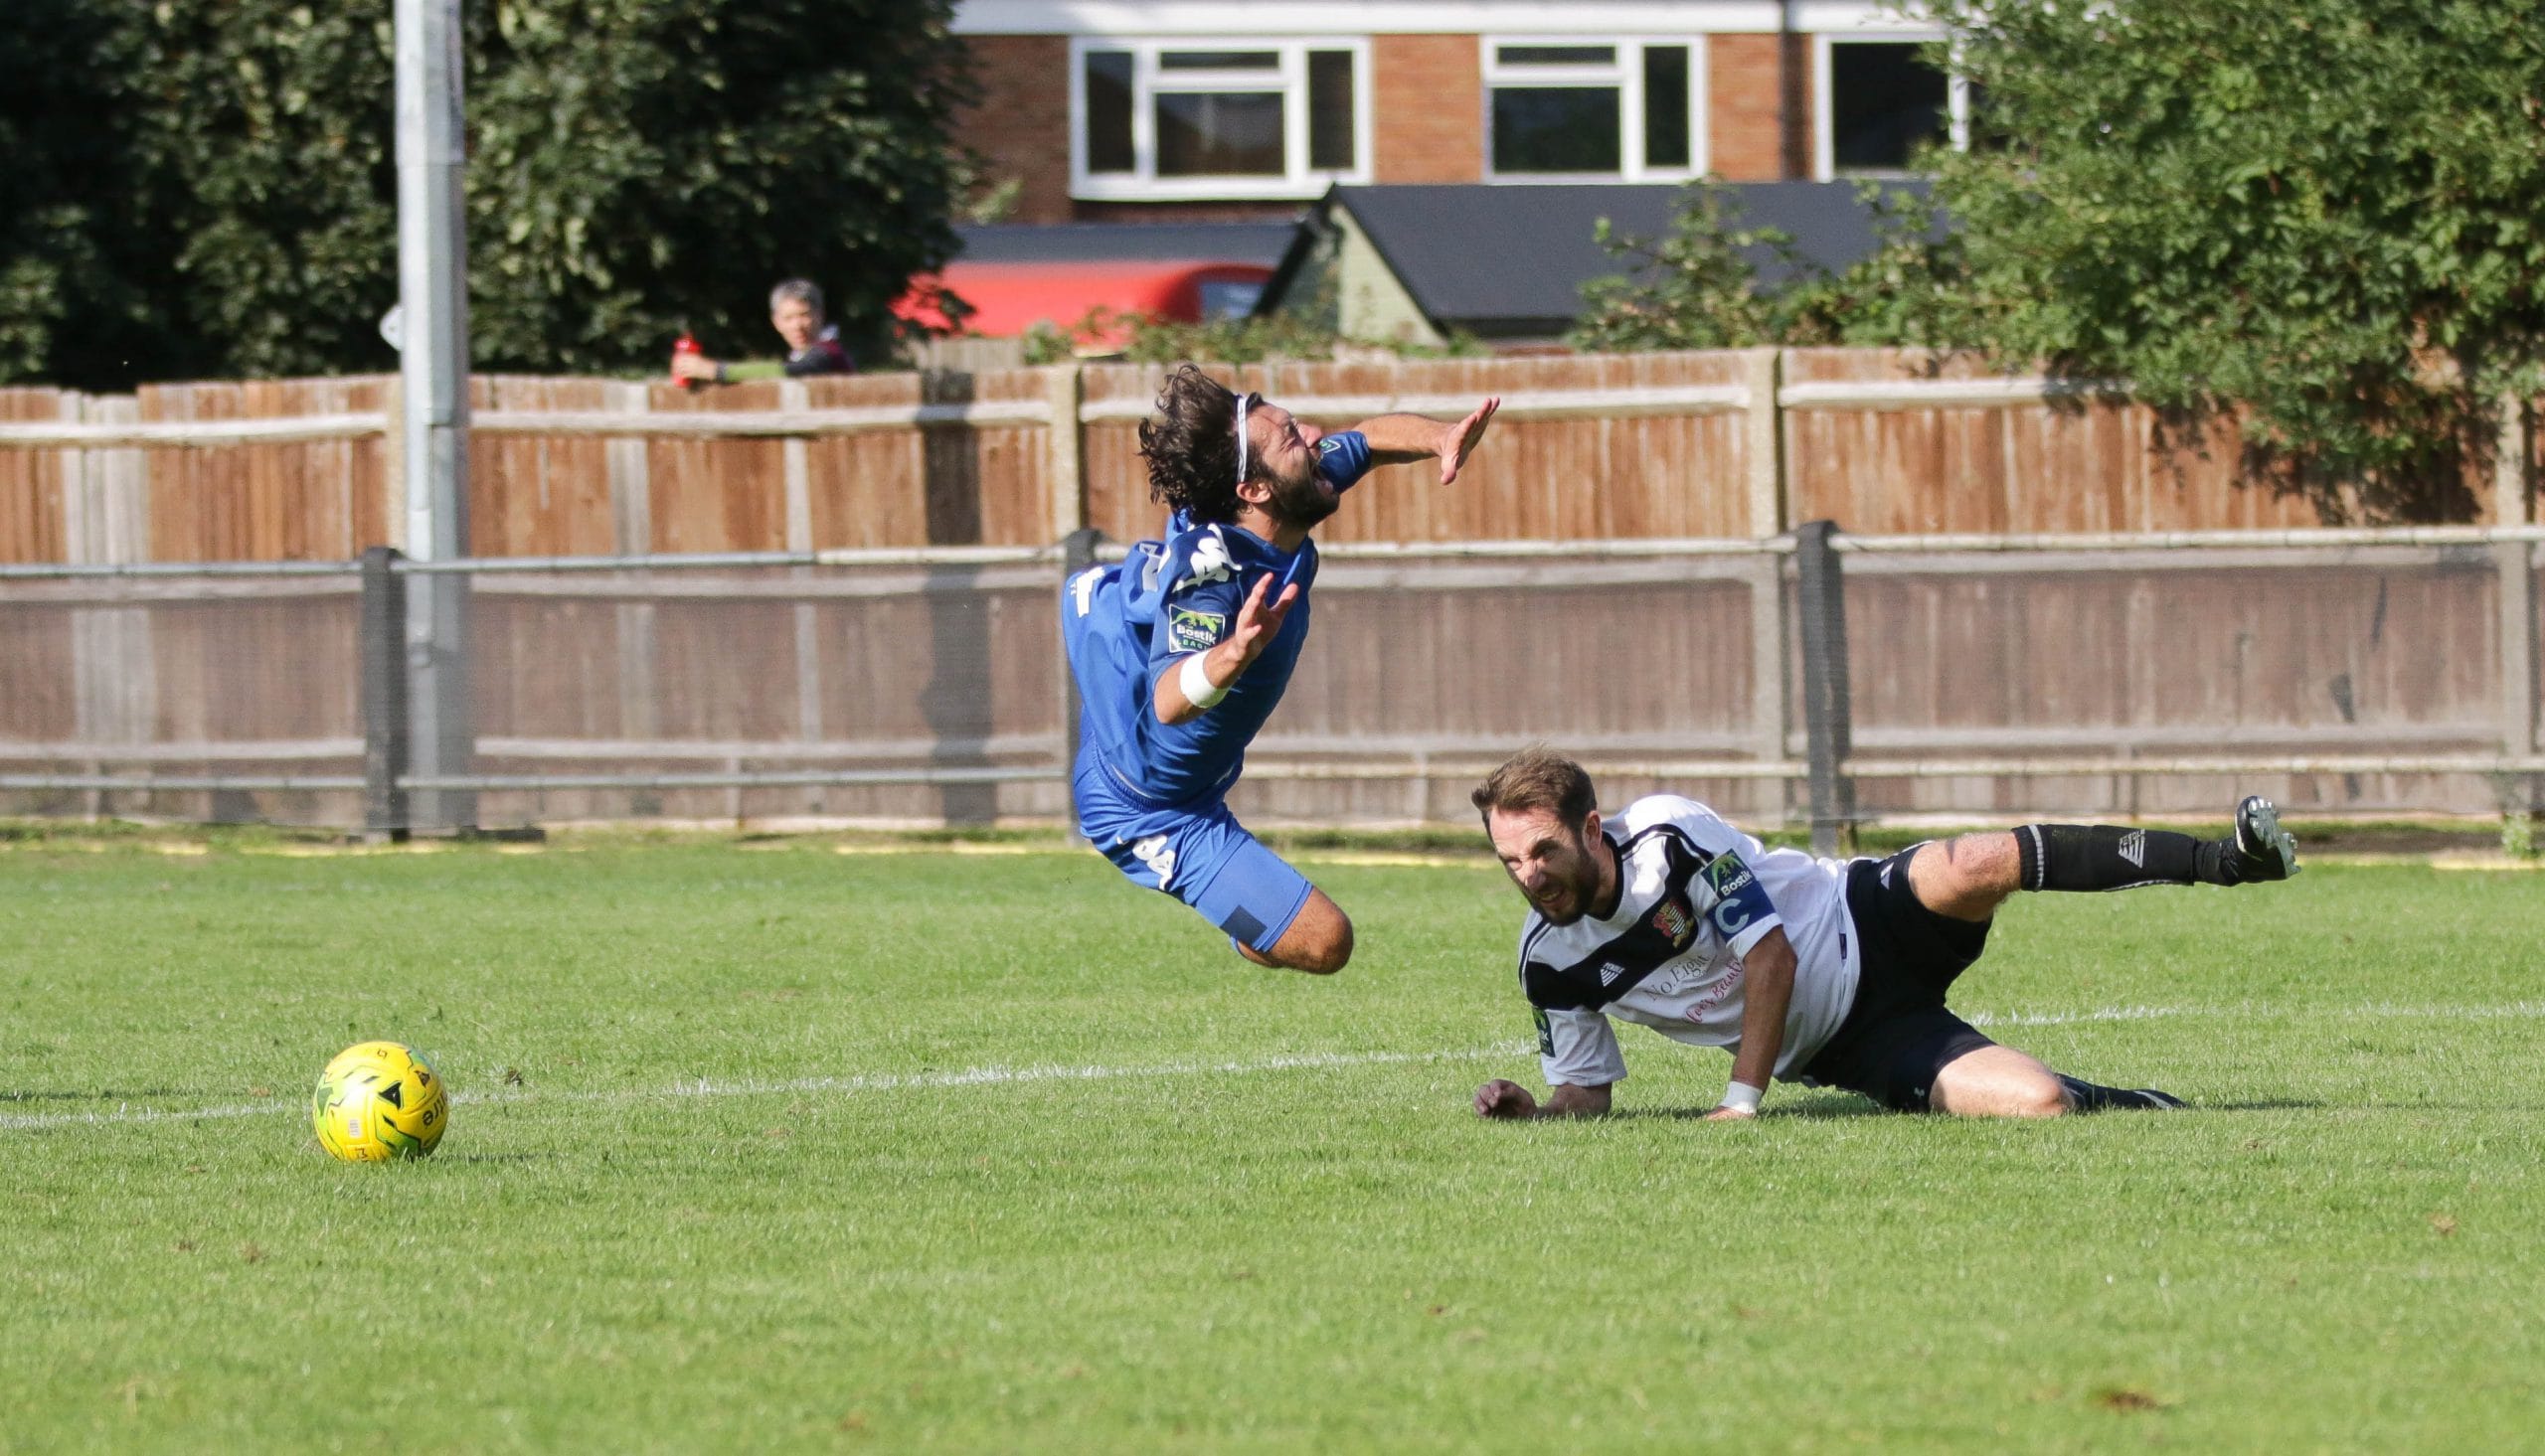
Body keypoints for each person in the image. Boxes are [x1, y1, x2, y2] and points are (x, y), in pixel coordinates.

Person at [1465, 748, 2301, 1121]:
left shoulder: (1670, 835)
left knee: (1977, 860)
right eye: (1510, 860)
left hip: (1859, 913)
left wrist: (1739, 1101)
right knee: (2036, 1102)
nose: (1529, 874)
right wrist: (1533, 1111)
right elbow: (1588, 1093)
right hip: (1857, 1043)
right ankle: (2147, 1108)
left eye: (1542, 850)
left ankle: (2230, 861)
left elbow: (1771, 953)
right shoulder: (1551, 966)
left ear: (1591, 828)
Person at [1063, 364, 1499, 974]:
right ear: (1254, 491)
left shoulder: (1294, 481)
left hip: (1165, 743)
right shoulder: (1213, 580)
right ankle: (1240, 909)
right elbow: (1168, 699)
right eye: (1294, 436)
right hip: (1145, 803)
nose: (1318, 434)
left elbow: (1371, 439)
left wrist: (1441, 437)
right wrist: (1229, 657)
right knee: (1325, 943)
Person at [670, 278, 855, 384]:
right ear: (776, 323)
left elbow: (790, 372)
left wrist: (715, 371)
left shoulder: (827, 353)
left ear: (820, 315)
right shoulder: (800, 355)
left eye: (804, 315)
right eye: (788, 318)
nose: (797, 325)